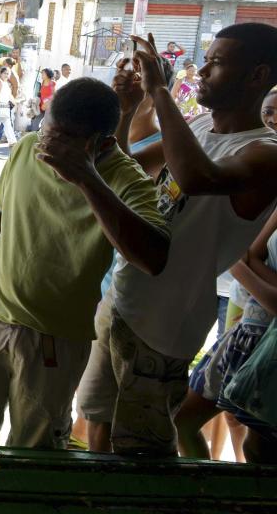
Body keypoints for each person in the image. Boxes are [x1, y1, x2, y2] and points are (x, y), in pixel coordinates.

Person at [77, 25, 277, 457]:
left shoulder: (266, 151)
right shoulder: (202, 123)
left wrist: (160, 93)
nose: (202, 69)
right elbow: (129, 169)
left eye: (217, 62)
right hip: (123, 297)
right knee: (97, 428)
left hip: (164, 325)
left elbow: (198, 178)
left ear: (257, 75)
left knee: (141, 450)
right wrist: (129, 109)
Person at [0, 79, 169, 450]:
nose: (48, 146)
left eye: (64, 140)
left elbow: (154, 257)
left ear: (102, 143)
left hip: (54, 342)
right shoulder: (27, 148)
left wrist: (85, 178)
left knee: (35, 450)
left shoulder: (126, 179)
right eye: (47, 130)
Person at [176, 209, 277, 463]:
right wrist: (244, 263)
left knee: (257, 448)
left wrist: (240, 263)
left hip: (268, 344)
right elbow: (250, 253)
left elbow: (244, 259)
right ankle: (208, 497)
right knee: (182, 421)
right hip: (249, 328)